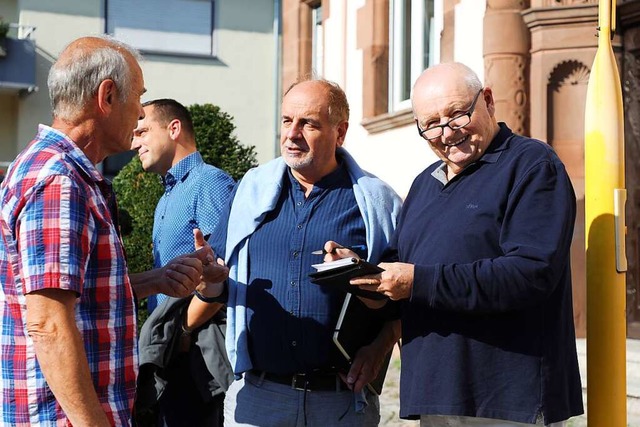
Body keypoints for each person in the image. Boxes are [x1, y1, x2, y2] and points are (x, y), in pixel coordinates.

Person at [349, 62, 584, 426]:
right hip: (438, 394)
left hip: (506, 399)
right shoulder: (425, 183)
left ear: (487, 100)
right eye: (430, 124)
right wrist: (361, 272)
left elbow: (530, 274)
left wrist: (418, 282)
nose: (446, 133)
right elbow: (402, 265)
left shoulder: (532, 165)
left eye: (457, 115)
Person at [0, 36, 208, 426]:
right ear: (107, 96)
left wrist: (154, 280)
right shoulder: (59, 180)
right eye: (139, 98)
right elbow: (48, 322)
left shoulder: (56, 170)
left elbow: (76, 291)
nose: (142, 114)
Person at [193, 78, 403, 426]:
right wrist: (210, 283)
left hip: (340, 402)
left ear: (340, 132)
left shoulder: (377, 203)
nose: (293, 133)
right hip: (260, 398)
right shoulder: (250, 191)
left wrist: (380, 345)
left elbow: (400, 301)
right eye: (287, 120)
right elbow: (219, 284)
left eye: (309, 123)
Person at [131, 98, 235, 426]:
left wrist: (185, 331)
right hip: (172, 353)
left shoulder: (209, 183)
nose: (134, 142)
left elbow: (224, 271)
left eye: (143, 131)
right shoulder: (167, 195)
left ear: (174, 129)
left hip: (197, 359)